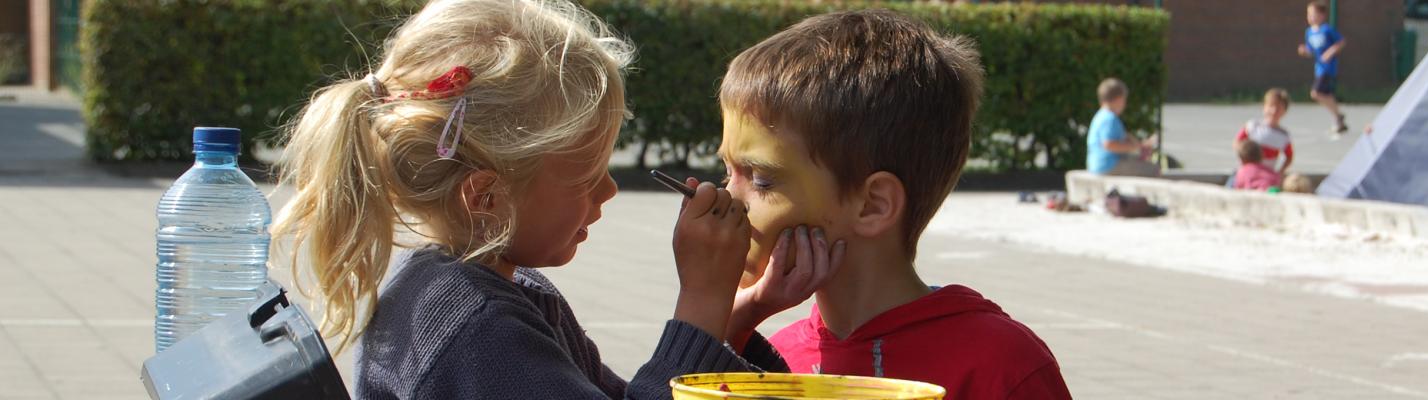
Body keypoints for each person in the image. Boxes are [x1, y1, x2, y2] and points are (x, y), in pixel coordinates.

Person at [269, 1, 827, 398]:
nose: (608, 192)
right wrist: (700, 301)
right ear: (486, 195)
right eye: (586, 178)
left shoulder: (503, 291)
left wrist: (738, 313)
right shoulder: (476, 330)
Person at [713, 10, 1072, 399]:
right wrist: (730, 325)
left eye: (762, 180)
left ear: (873, 205)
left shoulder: (1001, 367)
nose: (727, 200)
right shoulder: (773, 357)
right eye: (727, 172)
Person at [1086, 78, 1159, 176]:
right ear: (1119, 99)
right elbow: (1109, 144)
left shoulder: (1101, 116)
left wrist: (1140, 145)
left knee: (1140, 162)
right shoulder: (1109, 118)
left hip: (1099, 164)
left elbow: (1124, 137)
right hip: (1107, 166)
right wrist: (1134, 147)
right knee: (1153, 169)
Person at [1298, 0, 1348, 136]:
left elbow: (1341, 42)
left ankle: (1338, 116)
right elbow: (1311, 51)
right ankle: (1339, 118)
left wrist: (1330, 53)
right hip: (1318, 68)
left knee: (1316, 93)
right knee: (1326, 94)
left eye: (1313, 14)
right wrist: (1304, 51)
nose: (1310, 17)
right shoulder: (1309, 32)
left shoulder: (1327, 29)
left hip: (1328, 68)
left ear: (1322, 15)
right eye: (1308, 14)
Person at [1235, 88, 1295, 174]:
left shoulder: (1284, 136)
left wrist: (1280, 172)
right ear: (1264, 107)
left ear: (1284, 111)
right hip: (1246, 170)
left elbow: (1289, 157)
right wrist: (1244, 157)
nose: (1274, 111)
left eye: (1278, 108)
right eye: (1271, 106)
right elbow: (1237, 142)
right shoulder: (1253, 126)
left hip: (1266, 174)